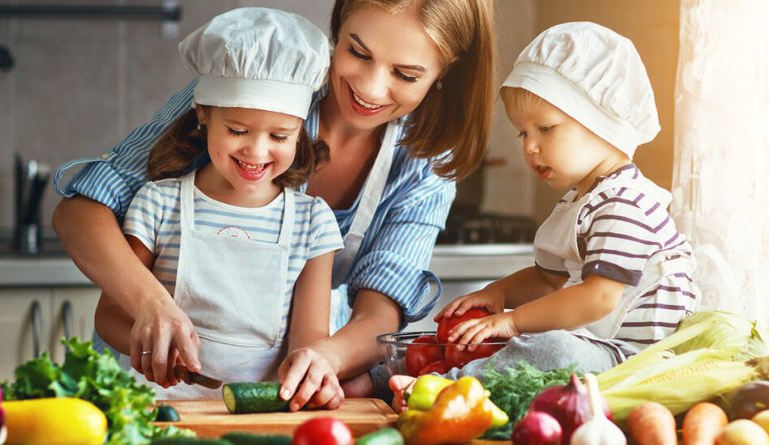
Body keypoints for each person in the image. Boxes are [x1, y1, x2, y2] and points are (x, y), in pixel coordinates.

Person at [52, 0, 496, 408]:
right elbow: (81, 211)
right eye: (358, 53)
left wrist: (323, 359)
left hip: (266, 389)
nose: (370, 87)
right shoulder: (254, 79)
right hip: (141, 383)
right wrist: (151, 305)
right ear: (336, 30)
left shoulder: (425, 162)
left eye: (406, 74)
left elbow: (380, 309)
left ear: (444, 71)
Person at [391, 21, 700, 411]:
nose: (530, 147)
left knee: (550, 347)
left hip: (633, 361)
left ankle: (442, 390)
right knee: (529, 341)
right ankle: (398, 373)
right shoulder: (582, 200)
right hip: (597, 346)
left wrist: (513, 321)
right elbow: (547, 280)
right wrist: (498, 293)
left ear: (601, 121)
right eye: (523, 133)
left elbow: (599, 298)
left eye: (546, 129)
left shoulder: (626, 204)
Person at [91, 7, 343, 402]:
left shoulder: (313, 222)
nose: (256, 151)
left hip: (257, 413)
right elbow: (109, 316)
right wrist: (151, 348)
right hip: (159, 404)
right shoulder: (159, 203)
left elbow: (309, 338)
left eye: (280, 135)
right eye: (238, 130)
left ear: (300, 132)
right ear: (203, 114)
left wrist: (306, 375)